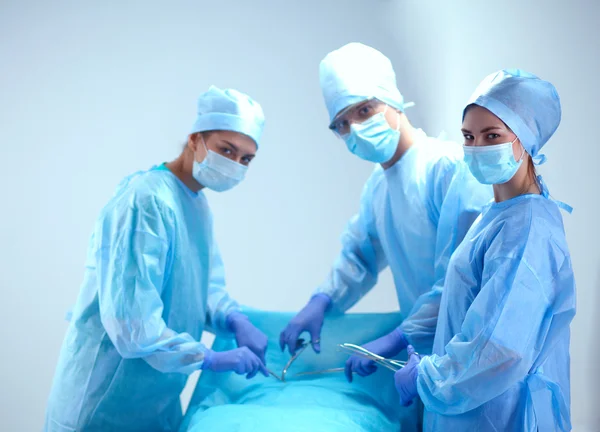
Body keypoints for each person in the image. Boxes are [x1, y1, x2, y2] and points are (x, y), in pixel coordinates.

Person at [44, 86, 271, 432]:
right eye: (227, 150)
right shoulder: (146, 202)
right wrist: (208, 358)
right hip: (105, 401)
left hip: (156, 403)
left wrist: (234, 318)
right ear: (195, 139)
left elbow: (198, 289)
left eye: (246, 159)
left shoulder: (196, 205)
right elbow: (131, 325)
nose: (235, 165)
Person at [279, 42, 493, 383]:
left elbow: (466, 276)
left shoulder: (450, 169)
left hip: (475, 356)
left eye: (363, 111)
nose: (355, 128)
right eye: (342, 123)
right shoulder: (378, 190)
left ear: (392, 100)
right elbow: (359, 259)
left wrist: (399, 337)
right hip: (427, 359)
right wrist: (322, 299)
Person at [393, 69, 576, 431]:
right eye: (468, 136)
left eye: (492, 136)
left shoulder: (528, 228)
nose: (476, 148)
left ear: (525, 141)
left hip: (500, 413)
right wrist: (404, 337)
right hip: (473, 408)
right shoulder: (495, 216)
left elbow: (501, 349)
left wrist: (428, 376)